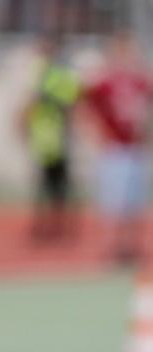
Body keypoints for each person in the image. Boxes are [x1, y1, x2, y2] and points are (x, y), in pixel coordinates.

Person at [84, 31, 153, 263]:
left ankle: (132, 245)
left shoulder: (141, 80)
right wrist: (94, 131)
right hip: (114, 147)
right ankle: (113, 245)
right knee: (114, 200)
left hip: (135, 147)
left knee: (134, 200)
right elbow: (87, 105)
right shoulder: (104, 81)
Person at [24, 34, 80, 243]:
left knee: (57, 184)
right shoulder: (49, 72)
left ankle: (57, 226)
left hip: (56, 136)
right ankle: (50, 225)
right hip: (47, 136)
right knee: (50, 183)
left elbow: (66, 103)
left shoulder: (55, 74)